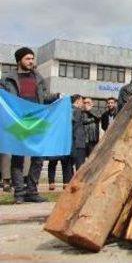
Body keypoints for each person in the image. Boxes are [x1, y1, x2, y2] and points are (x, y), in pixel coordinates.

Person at [0, 47, 59, 204]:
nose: (31, 61)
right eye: (28, 58)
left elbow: (45, 97)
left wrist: (58, 97)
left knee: (38, 157)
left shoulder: (38, 77)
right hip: (18, 121)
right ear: (19, 60)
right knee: (18, 157)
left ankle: (32, 191)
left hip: (36, 120)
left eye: (32, 58)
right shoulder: (7, 79)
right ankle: (19, 193)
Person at [70, 95, 87, 171]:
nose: (82, 103)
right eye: (82, 101)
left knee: (69, 166)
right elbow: (75, 126)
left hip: (73, 142)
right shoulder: (77, 110)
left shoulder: (70, 110)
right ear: (77, 101)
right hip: (78, 142)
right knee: (80, 166)